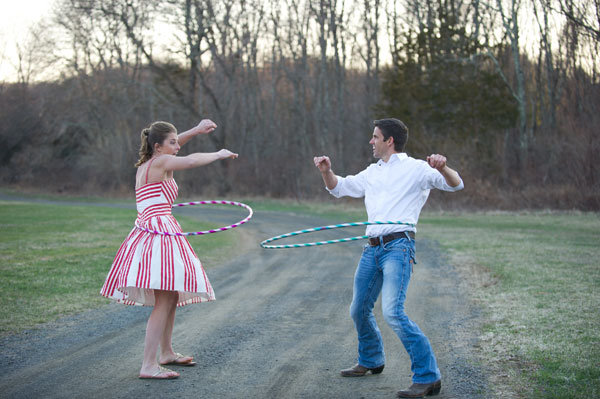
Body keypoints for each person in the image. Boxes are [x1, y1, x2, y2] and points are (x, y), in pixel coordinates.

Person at [313, 118, 464, 398]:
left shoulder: (417, 169)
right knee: (358, 309)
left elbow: (455, 185)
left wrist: (443, 167)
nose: (371, 141)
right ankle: (371, 360)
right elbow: (339, 188)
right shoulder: (373, 172)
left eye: (375, 137)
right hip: (372, 248)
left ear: (389, 141)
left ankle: (428, 377)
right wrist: (327, 172)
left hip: (399, 247)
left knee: (393, 312)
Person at [100, 119, 238, 379]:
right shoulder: (161, 162)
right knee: (164, 299)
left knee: (171, 295)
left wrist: (196, 131)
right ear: (157, 146)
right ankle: (148, 365)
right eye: (172, 142)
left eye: (177, 141)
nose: (178, 146)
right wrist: (218, 154)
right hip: (158, 233)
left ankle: (166, 353)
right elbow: (191, 161)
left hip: (155, 229)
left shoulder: (148, 163)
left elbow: (175, 148)